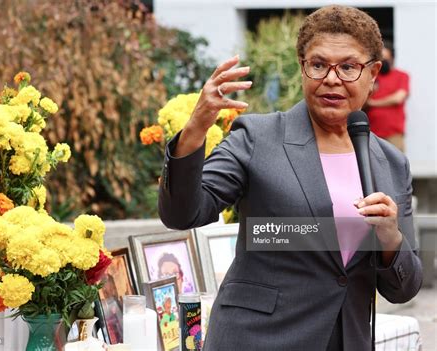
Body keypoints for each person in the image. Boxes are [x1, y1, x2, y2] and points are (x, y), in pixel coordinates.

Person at [158, 5, 422, 351]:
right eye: (318, 64)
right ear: (302, 68)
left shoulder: (391, 163)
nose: (331, 78)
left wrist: (389, 238)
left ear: (373, 73)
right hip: (258, 339)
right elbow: (182, 215)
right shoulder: (257, 137)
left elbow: (405, 287)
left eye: (347, 67)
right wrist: (195, 128)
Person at [366, 41, 410, 152]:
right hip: (372, 134)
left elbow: (398, 98)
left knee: (396, 167)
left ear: (392, 59)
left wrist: (373, 103)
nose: (383, 62)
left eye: (386, 59)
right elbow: (361, 102)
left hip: (393, 134)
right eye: (380, 59)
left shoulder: (401, 75)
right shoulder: (371, 77)